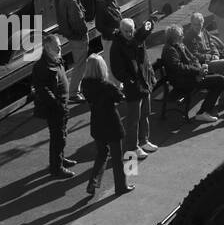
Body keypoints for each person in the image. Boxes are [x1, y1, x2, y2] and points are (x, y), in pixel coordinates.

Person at [161, 24, 224, 124]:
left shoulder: (179, 45)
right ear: (174, 37)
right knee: (219, 79)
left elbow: (193, 58)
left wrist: (200, 70)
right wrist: (197, 72)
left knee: (218, 81)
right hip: (181, 82)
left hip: (190, 77)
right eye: (181, 36)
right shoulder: (169, 50)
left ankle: (203, 112)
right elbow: (179, 67)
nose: (183, 37)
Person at [81, 54, 134, 198]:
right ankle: (121, 186)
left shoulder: (84, 84)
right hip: (111, 123)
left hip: (97, 123)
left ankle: (93, 182)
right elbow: (120, 97)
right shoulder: (107, 86)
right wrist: (120, 88)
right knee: (117, 157)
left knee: (101, 154)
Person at [110, 17, 158, 160]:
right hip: (133, 86)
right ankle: (131, 148)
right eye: (126, 32)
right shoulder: (116, 46)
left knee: (145, 114)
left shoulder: (137, 37)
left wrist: (151, 20)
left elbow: (147, 28)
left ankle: (143, 141)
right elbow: (117, 69)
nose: (130, 34)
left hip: (144, 82)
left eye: (131, 31)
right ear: (120, 30)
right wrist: (129, 80)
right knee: (133, 119)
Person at [31, 34, 75, 178]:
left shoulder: (56, 59)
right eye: (56, 46)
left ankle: (60, 159)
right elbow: (42, 89)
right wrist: (56, 104)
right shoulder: (42, 66)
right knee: (58, 137)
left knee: (62, 135)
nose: (59, 48)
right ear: (47, 48)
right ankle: (56, 168)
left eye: (59, 45)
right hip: (55, 108)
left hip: (62, 105)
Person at [55, 0, 89, 100]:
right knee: (80, 65)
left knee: (79, 63)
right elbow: (77, 21)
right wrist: (83, 32)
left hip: (72, 36)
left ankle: (75, 90)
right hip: (78, 37)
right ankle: (74, 92)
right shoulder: (72, 2)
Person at [93, 0, 122, 71]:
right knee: (112, 65)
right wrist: (113, 31)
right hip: (109, 40)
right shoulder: (102, 4)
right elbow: (99, 26)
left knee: (118, 63)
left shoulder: (112, 0)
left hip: (115, 38)